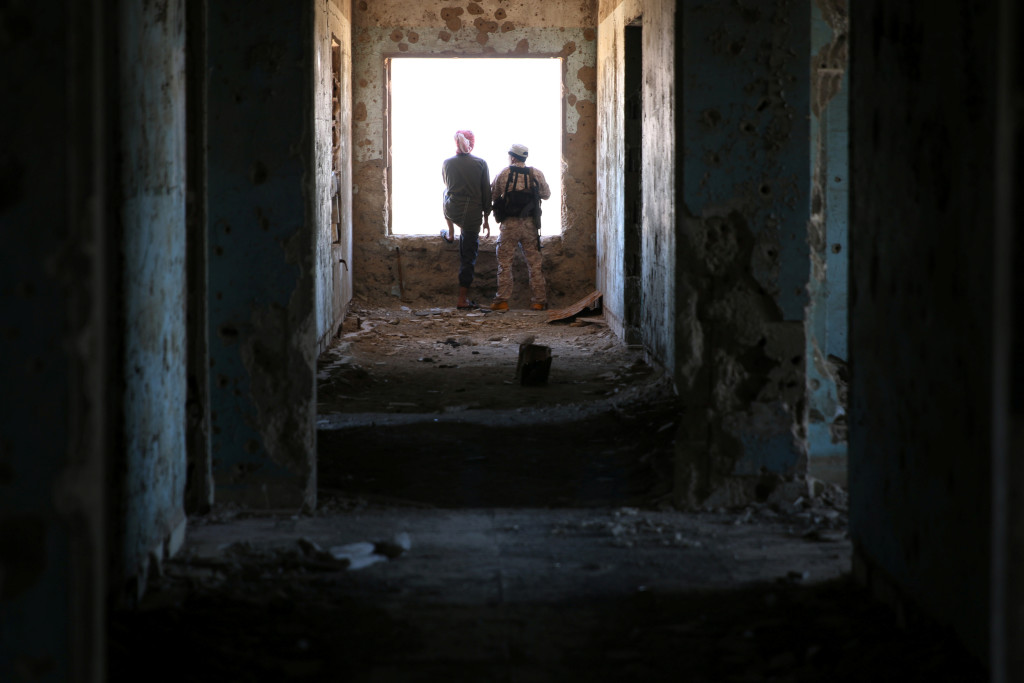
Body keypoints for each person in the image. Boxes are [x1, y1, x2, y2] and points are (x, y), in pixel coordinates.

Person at [489, 143, 551, 311]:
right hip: (530, 225)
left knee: (505, 263)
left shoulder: (504, 173)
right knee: (534, 263)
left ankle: (502, 301)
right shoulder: (536, 173)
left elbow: (493, 195)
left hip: (509, 225)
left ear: (513, 157)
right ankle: (539, 300)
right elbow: (546, 195)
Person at [441, 130, 491, 309]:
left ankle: (451, 233)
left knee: (445, 193)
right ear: (472, 143)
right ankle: (462, 300)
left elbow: (448, 185)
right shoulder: (480, 163)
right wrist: (486, 219)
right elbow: (486, 194)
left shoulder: (447, 163)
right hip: (472, 215)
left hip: (452, 211)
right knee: (468, 257)